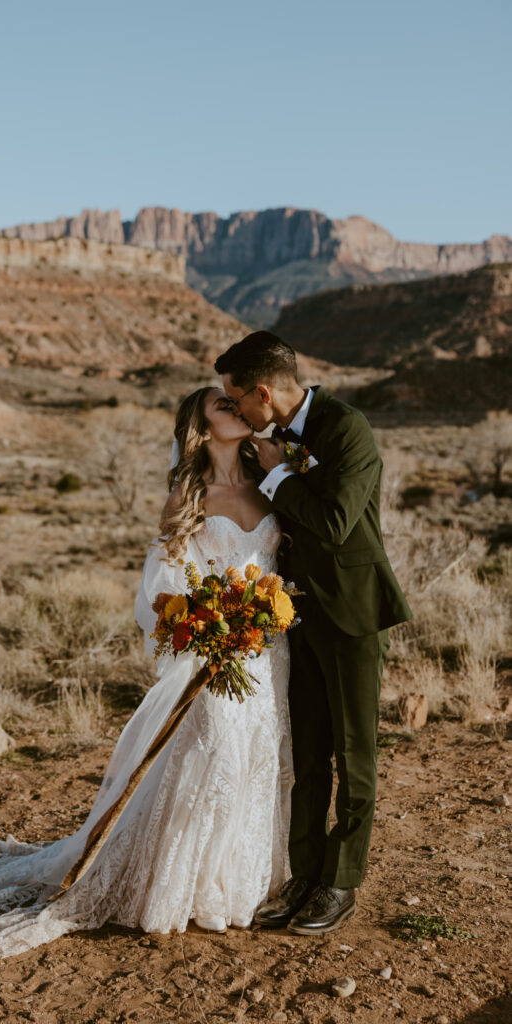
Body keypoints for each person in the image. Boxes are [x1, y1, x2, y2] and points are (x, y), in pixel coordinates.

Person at [0, 386, 293, 957]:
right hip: (214, 650)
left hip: (266, 651)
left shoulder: (270, 481)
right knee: (213, 751)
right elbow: (164, 577)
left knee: (260, 756)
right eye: (221, 406)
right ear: (200, 428)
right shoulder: (188, 494)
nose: (235, 409)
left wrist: (261, 613)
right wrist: (205, 623)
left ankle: (239, 883)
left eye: (236, 402)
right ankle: (176, 887)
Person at [217, 330, 412, 935]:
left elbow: (333, 520)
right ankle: (304, 872)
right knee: (306, 755)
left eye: (238, 399)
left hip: (353, 615)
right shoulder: (272, 440)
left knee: (356, 754)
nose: (238, 412)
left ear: (263, 392)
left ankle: (341, 881)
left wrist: (278, 476)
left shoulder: (346, 428)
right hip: (296, 617)